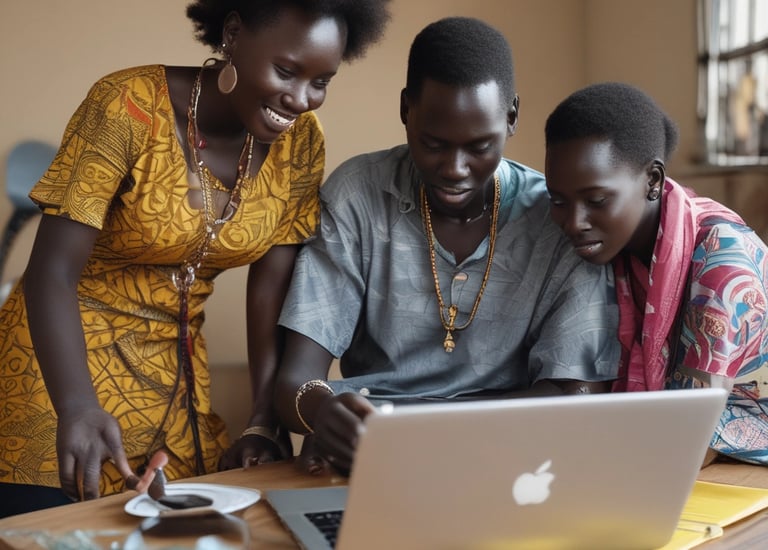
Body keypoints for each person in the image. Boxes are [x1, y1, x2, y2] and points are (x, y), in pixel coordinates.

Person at [0, 0, 391, 517]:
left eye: (321, 81)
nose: (300, 99)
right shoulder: (127, 105)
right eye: (286, 71)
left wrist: (262, 419)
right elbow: (51, 271)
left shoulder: (301, 146)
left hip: (173, 379)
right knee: (56, 526)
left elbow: (271, 290)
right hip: (59, 369)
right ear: (232, 34)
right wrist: (75, 406)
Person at [274, 17, 620, 475]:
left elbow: (577, 392)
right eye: (433, 143)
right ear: (405, 110)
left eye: (479, 146)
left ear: (512, 117)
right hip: (371, 455)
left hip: (510, 463)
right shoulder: (357, 196)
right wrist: (322, 413)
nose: (455, 168)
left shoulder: (557, 216)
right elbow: (294, 383)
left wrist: (438, 441)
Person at [544, 82, 768, 465]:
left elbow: (691, 432)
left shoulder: (721, 260)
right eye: (559, 201)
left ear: (652, 181)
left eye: (596, 200)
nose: (574, 222)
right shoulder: (618, 254)